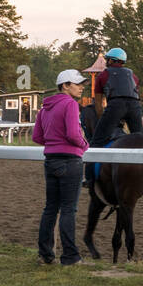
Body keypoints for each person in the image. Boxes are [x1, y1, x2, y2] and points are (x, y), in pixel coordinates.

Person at [32, 70, 90, 265]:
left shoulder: (44, 108)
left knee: (50, 209)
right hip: (70, 161)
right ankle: (70, 257)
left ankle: (45, 255)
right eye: (77, 84)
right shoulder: (71, 104)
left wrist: (54, 143)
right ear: (65, 85)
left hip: (50, 160)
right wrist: (85, 145)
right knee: (68, 210)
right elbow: (74, 134)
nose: (82, 87)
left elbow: (37, 137)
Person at [83, 47, 143, 188]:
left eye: (107, 60)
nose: (106, 63)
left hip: (115, 106)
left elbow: (98, 105)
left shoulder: (102, 76)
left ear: (111, 60)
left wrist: (102, 121)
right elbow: (133, 96)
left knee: (96, 143)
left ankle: (90, 178)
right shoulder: (134, 76)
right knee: (141, 142)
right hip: (135, 107)